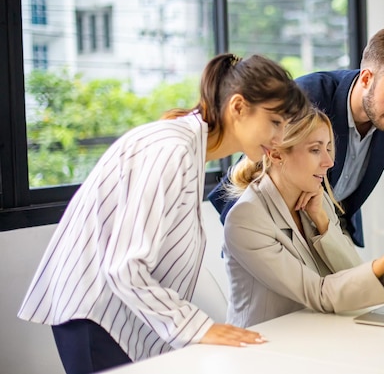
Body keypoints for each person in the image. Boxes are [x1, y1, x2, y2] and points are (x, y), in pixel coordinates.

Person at [17, 53, 310, 374]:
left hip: (110, 315)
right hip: (97, 313)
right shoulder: (172, 149)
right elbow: (125, 264)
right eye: (275, 123)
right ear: (238, 107)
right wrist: (199, 328)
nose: (279, 139)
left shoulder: (187, 147)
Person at [210, 27, 384, 274]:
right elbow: (251, 167)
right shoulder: (308, 95)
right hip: (284, 230)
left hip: (332, 226)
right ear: (366, 78)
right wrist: (245, 239)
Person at [222, 108, 384, 327]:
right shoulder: (246, 220)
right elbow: (318, 293)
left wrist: (323, 223)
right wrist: (381, 265)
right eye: (315, 150)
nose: (329, 162)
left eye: (329, 147)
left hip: (314, 331)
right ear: (276, 154)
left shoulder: (315, 196)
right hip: (266, 348)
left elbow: (350, 269)